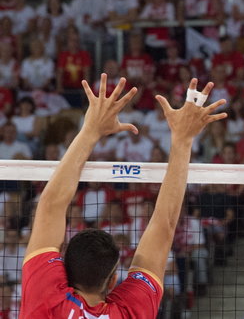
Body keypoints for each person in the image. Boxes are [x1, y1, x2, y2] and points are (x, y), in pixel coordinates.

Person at [20, 73, 227, 318]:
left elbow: (50, 205)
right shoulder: (128, 311)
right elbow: (164, 226)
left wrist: (90, 130)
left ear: (64, 270)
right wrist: (183, 140)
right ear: (113, 280)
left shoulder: (45, 297)